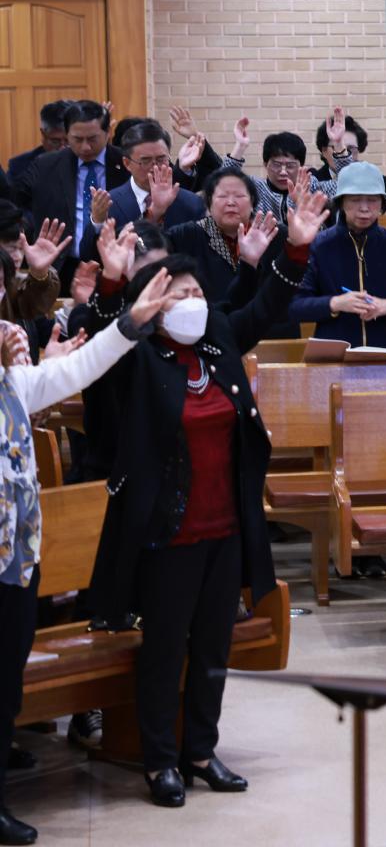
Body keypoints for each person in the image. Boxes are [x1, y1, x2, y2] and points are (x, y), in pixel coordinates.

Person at [87, 184, 328, 809]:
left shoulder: (218, 340)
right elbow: (99, 350)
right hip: (167, 534)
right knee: (166, 651)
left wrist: (294, 252)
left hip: (226, 528)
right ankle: (160, 761)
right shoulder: (138, 358)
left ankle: (200, 751)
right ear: (153, 306)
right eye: (178, 295)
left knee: (214, 649)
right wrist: (112, 289)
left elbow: (266, 304)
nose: (192, 303)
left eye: (196, 292)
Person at [0, 257, 182, 841]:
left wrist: (129, 324)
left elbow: (78, 368)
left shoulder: (13, 380)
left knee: (5, 682)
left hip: (14, 559)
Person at [288, 162, 386, 351]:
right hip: (334, 356)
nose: (364, 208)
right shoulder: (319, 245)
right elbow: (294, 306)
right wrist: (336, 303)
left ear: (382, 204)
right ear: (341, 202)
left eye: (372, 200)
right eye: (355, 200)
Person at [21, 99, 124, 281]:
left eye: (92, 139)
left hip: (114, 264)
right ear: (67, 134)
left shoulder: (125, 163)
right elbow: (15, 201)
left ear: (108, 132)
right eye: (77, 139)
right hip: (61, 265)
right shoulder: (46, 165)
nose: (85, 147)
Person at [161, 168, 283, 310]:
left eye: (239, 196)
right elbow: (151, 252)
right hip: (208, 319)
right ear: (209, 203)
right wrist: (157, 212)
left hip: (265, 320)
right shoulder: (187, 235)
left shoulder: (273, 234)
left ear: (252, 202)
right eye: (222, 196)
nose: (231, 202)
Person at [310, 110, 386, 205]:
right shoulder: (313, 180)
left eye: (351, 148)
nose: (344, 153)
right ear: (324, 150)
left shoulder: (368, 178)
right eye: (337, 146)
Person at [0, 212, 63, 328]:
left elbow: (34, 308)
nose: (18, 257)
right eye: (12, 248)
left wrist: (40, 274)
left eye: (21, 249)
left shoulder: (16, 285)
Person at [7, 100, 67, 186]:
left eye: (68, 141)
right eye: (55, 141)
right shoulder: (20, 167)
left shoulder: (86, 162)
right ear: (43, 135)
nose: (63, 148)